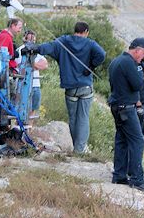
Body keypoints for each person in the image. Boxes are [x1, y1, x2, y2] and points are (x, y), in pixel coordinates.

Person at [23, 21, 106, 153]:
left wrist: (34, 47)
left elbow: (48, 47)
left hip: (71, 88)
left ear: (75, 30)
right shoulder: (90, 43)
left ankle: (75, 146)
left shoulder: (63, 41)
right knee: (83, 117)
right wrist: (91, 67)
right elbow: (102, 54)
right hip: (85, 87)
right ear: (86, 32)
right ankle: (80, 149)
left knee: (73, 118)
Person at [107, 37, 144, 193]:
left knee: (122, 140)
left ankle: (119, 175)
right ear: (138, 50)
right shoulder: (128, 63)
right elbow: (138, 85)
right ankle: (136, 179)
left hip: (117, 106)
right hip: (126, 108)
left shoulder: (117, 61)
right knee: (137, 141)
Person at [16, 30, 48, 117]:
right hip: (22, 84)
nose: (32, 40)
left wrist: (32, 64)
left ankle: (29, 129)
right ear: (25, 38)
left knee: (33, 109)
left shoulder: (36, 50)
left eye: (33, 39)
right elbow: (20, 66)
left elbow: (45, 65)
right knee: (21, 109)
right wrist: (34, 65)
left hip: (35, 85)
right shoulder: (19, 50)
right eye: (30, 38)